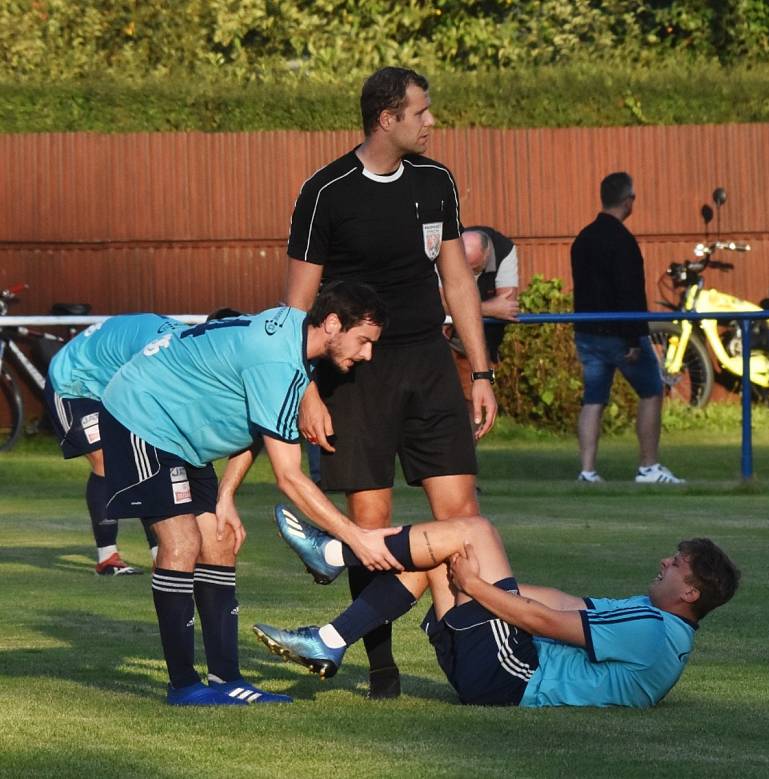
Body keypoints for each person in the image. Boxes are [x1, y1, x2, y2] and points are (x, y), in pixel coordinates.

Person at [284, 66, 497, 698]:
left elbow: (458, 282)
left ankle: (473, 655)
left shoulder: (437, 182)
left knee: (462, 518)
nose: (432, 122)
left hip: (430, 365)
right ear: (388, 118)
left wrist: (480, 371)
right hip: (355, 375)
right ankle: (380, 667)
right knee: (370, 524)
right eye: (422, 112)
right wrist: (307, 389)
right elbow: (297, 307)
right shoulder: (326, 191)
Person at [100, 282, 400, 706]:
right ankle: (184, 687)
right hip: (140, 415)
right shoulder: (277, 361)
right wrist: (355, 537)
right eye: (364, 341)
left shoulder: (297, 333)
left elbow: (258, 421)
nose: (367, 354)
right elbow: (291, 477)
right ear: (333, 324)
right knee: (182, 542)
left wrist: (226, 495)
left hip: (181, 435)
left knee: (219, 541)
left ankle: (226, 680)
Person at [255, 506, 740, 709]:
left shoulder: (653, 632)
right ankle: (331, 640)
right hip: (503, 671)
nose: (664, 561)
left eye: (676, 564)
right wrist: (483, 585)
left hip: (514, 676)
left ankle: (336, 552)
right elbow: (566, 603)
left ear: (690, 592)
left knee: (476, 532)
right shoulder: (658, 623)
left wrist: (478, 587)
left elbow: (546, 621)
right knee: (441, 552)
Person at [45, 314, 186, 574]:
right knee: (105, 461)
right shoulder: (159, 354)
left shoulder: (182, 344)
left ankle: (160, 555)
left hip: (107, 380)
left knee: (146, 458)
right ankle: (107, 557)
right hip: (72, 383)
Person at [571, 172, 684, 484]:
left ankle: (587, 470)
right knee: (651, 391)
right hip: (620, 335)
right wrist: (634, 338)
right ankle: (648, 467)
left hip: (587, 331)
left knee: (593, 399)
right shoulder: (622, 241)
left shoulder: (583, 238)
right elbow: (630, 291)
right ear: (627, 200)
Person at [444, 226, 520, 410]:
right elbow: (439, 301)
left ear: (487, 255)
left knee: (475, 405)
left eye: (474, 269)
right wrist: (489, 308)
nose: (467, 277)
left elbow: (508, 306)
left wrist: (456, 307)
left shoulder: (504, 250)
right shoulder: (448, 247)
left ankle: (469, 439)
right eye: (463, 268)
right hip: (446, 341)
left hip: (482, 344)